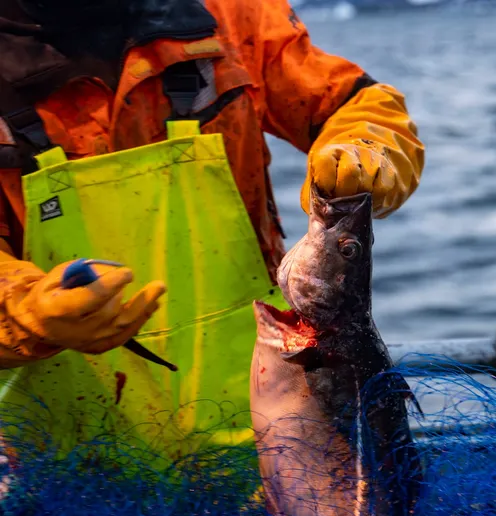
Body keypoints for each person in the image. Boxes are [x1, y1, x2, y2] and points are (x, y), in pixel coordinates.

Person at [0, 0, 424, 470]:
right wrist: (26, 312)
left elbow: (356, 104)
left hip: (267, 453)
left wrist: (364, 147)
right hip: (65, 475)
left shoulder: (230, 16)